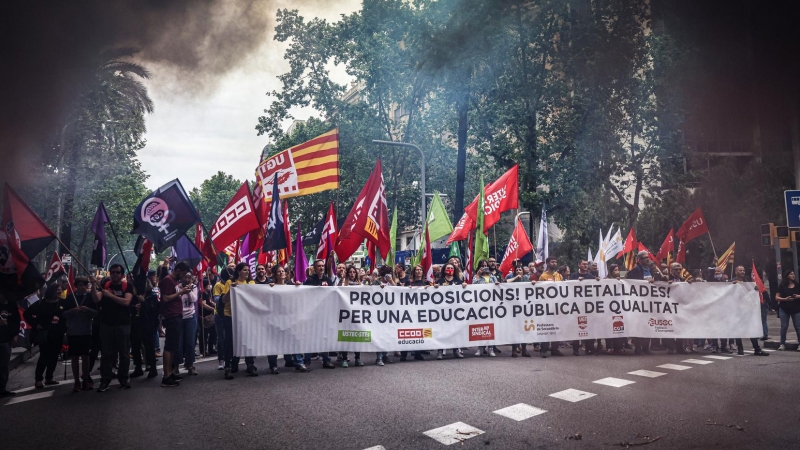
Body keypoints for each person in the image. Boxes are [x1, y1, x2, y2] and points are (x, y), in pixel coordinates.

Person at [92, 263, 135, 391]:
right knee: (106, 354)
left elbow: (126, 302)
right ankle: (105, 380)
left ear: (122, 275)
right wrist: (94, 286)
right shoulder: (105, 285)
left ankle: (123, 379)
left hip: (123, 324)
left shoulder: (127, 286)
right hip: (106, 324)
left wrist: (110, 295)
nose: (115, 274)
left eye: (117, 272)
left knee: (124, 353)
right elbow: (96, 299)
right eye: (113, 272)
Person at [24, 284, 67, 389]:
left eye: (60, 290)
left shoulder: (62, 303)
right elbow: (26, 314)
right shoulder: (41, 303)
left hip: (57, 334)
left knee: (54, 356)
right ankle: (38, 379)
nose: (59, 292)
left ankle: (49, 377)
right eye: (57, 290)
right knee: (44, 356)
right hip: (44, 334)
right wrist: (35, 324)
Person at [270, 265, 310, 372]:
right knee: (274, 342)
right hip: (276, 318)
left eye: (283, 271)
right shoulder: (270, 286)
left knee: (295, 340)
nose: (282, 273)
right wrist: (269, 288)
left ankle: (299, 362)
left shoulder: (291, 285)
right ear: (274, 274)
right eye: (279, 271)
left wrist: (298, 287)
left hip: (290, 318)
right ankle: (273, 365)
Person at [221, 263, 258, 379]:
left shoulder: (251, 284)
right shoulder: (229, 283)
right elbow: (223, 300)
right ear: (238, 271)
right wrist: (231, 289)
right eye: (244, 270)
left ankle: (250, 365)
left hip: (246, 317)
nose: (247, 272)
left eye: (248, 270)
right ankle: (228, 367)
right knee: (230, 342)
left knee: (247, 340)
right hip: (231, 316)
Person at [158, 261, 192, 387]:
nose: (183, 276)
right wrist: (180, 293)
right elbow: (165, 298)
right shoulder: (168, 280)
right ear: (177, 270)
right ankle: (166, 376)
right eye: (183, 273)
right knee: (169, 347)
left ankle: (170, 372)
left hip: (176, 315)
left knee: (173, 347)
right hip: (171, 315)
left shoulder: (174, 282)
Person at [625, 251, 665, 355]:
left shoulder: (652, 270)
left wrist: (657, 277)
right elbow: (629, 281)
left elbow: (660, 280)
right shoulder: (636, 270)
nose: (648, 259)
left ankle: (646, 347)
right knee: (639, 325)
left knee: (649, 324)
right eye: (645, 258)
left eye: (648, 257)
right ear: (640, 260)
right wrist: (644, 282)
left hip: (650, 302)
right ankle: (638, 348)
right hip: (639, 302)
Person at [63, 277, 98, 392]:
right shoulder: (70, 297)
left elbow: (96, 313)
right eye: (79, 285)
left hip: (86, 331)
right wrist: (72, 311)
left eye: (84, 285)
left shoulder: (90, 297)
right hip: (73, 332)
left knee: (86, 356)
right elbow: (64, 314)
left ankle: (85, 379)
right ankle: (76, 381)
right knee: (74, 357)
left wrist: (87, 309)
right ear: (75, 286)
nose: (82, 287)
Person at [303, 259, 336, 369]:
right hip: (312, 314)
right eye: (319, 266)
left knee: (324, 337)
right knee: (310, 338)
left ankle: (326, 360)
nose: (321, 268)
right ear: (315, 268)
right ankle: (307, 361)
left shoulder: (328, 280)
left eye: (322, 266)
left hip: (325, 314)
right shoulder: (310, 280)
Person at [535, 256, 565, 358]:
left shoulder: (559, 276)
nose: (554, 263)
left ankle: (555, 349)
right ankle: (544, 349)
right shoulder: (543, 276)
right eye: (552, 262)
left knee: (557, 327)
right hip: (547, 306)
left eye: (555, 261)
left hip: (558, 306)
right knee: (547, 328)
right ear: (548, 263)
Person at [435, 263, 466, 360]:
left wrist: (464, 286)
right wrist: (434, 287)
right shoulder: (439, 281)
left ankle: (456, 350)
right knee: (442, 331)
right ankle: (440, 350)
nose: (450, 269)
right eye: (448, 268)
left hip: (455, 311)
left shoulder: (458, 281)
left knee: (455, 330)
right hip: (442, 311)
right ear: (444, 270)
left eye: (452, 268)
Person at [569, 259, 599, 356]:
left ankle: (589, 348)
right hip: (577, 306)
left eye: (587, 264)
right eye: (584, 264)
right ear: (579, 265)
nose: (586, 266)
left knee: (588, 327)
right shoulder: (574, 276)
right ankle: (575, 349)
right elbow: (568, 288)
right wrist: (576, 282)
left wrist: (598, 281)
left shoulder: (590, 276)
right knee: (576, 327)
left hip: (588, 306)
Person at [339, 265, 365, 367]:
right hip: (345, 314)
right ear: (347, 273)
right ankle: (344, 358)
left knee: (356, 337)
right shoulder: (343, 284)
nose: (352, 274)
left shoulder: (360, 285)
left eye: (354, 272)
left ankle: (357, 358)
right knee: (345, 336)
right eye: (350, 272)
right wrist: (341, 280)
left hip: (356, 315)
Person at [139, 270, 161, 378]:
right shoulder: (137, 295)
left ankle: (153, 367)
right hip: (139, 323)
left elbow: (153, 310)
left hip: (149, 324)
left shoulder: (151, 296)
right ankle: (140, 367)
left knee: (149, 347)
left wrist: (144, 302)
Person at [176, 272, 198, 376]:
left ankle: (189, 364)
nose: (187, 279)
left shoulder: (194, 287)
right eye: (185, 277)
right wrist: (182, 291)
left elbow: (194, 299)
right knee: (178, 343)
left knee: (190, 342)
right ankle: (175, 365)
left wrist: (188, 291)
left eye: (189, 277)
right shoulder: (177, 287)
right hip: (179, 317)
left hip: (190, 317)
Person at [0, 291, 21, 398]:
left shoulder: (11, 304)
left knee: (4, 365)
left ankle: (2, 388)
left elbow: (16, 320)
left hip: (6, 339)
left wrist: (15, 335)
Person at [775, 269, 800, 352]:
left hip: (796, 309)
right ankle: (782, 343)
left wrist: (797, 296)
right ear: (787, 276)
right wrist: (785, 299)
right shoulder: (782, 285)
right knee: (784, 327)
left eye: (793, 274)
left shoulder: (797, 285)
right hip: (784, 308)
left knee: (798, 327)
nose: (793, 275)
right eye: (791, 274)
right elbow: (777, 297)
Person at [213, 268, 232, 371]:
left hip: (230, 314)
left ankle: (230, 358)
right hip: (220, 315)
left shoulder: (233, 283)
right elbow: (216, 299)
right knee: (221, 338)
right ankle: (221, 359)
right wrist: (225, 295)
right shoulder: (218, 285)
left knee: (229, 338)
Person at [198, 279, 216, 356]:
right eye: (208, 284)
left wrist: (216, 306)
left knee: (213, 333)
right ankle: (203, 350)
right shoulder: (202, 294)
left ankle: (211, 348)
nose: (210, 286)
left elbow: (211, 302)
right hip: (204, 316)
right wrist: (213, 309)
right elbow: (204, 305)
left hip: (211, 316)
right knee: (204, 334)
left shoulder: (208, 294)